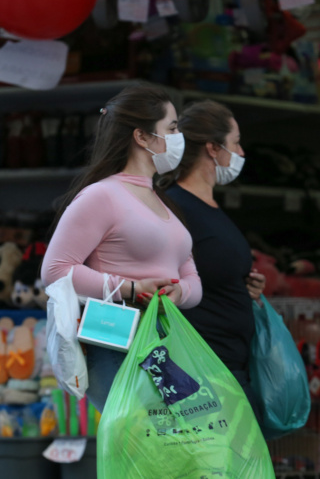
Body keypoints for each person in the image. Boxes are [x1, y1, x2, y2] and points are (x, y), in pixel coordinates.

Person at [41, 84, 202, 413]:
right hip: (116, 341)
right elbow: (55, 270)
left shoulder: (162, 202)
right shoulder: (101, 196)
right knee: (142, 453)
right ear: (142, 137)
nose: (178, 138)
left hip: (166, 343)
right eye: (171, 129)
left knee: (171, 453)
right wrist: (130, 289)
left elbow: (193, 280)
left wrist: (178, 293)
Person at [164, 99, 267, 425]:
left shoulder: (206, 207)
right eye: (235, 143)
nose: (241, 153)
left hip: (226, 370)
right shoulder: (175, 208)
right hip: (200, 375)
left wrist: (243, 287)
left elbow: (209, 272)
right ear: (213, 148)